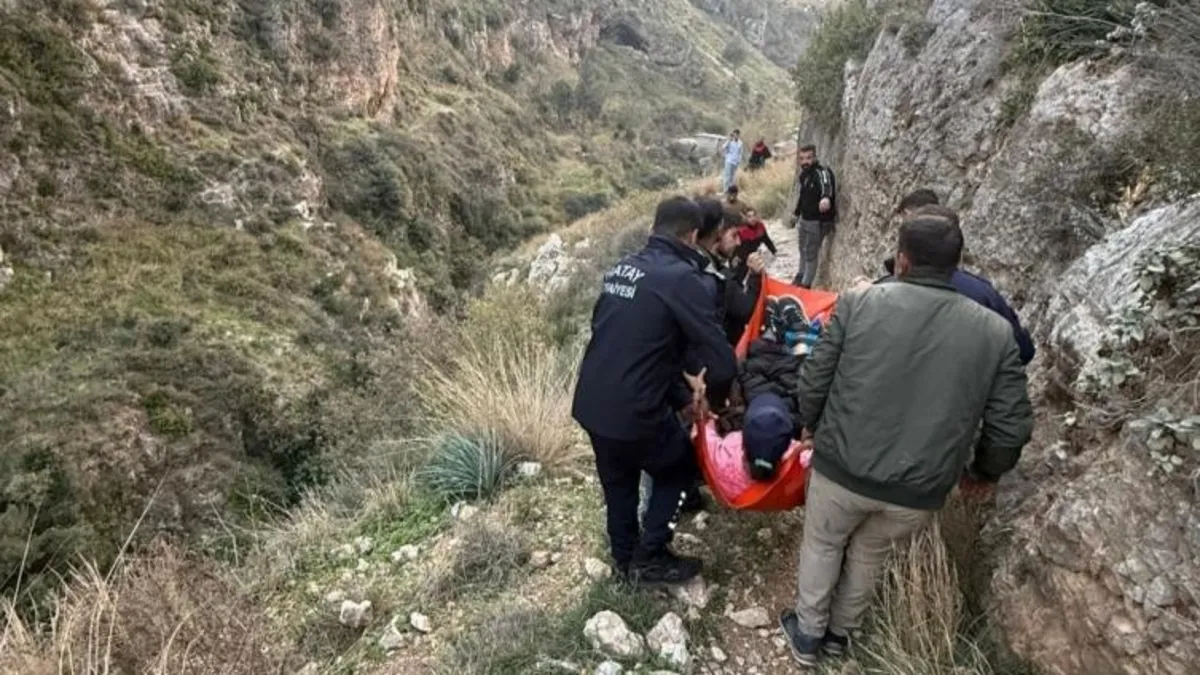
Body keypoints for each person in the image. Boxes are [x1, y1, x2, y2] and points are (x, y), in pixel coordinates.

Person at [778, 215, 1034, 667]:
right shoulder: (995, 333)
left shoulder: (859, 303)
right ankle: (841, 636)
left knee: (823, 543)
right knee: (871, 553)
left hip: (842, 466)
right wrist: (984, 472)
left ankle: (807, 636)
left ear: (901, 260)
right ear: (957, 264)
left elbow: (814, 378)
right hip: (918, 489)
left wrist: (810, 425)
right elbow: (1010, 425)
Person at [572, 196, 737, 586]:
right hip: (635, 408)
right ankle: (651, 556)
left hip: (594, 403)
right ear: (694, 235)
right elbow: (724, 362)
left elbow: (642, 347)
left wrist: (681, 398)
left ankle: (625, 560)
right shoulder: (683, 279)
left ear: (653, 229)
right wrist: (712, 402)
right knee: (679, 466)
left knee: (619, 482)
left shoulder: (622, 268)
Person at [879, 191, 1036, 365]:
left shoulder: (878, 296)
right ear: (957, 250)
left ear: (904, 257)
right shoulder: (982, 295)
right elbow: (1023, 351)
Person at [789, 145, 837, 288]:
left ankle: (805, 286)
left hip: (817, 221)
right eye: (802, 159)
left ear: (815, 157)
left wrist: (826, 198)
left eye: (809, 158)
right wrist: (796, 214)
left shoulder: (821, 172)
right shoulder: (804, 175)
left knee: (810, 253)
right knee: (802, 249)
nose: (805, 162)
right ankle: (800, 276)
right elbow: (803, 196)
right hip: (805, 220)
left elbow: (826, 185)